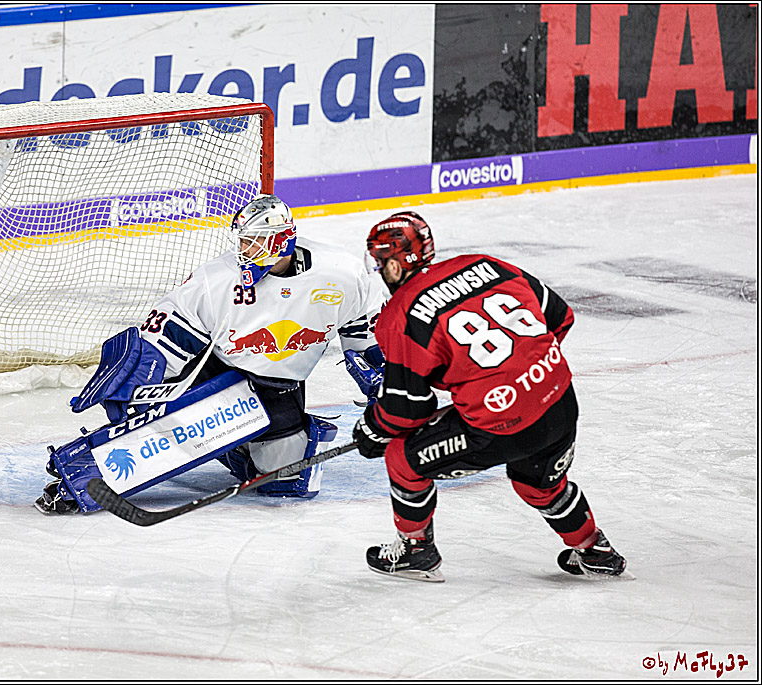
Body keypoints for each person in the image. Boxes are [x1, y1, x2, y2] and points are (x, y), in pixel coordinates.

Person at [37, 194, 388, 514]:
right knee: (163, 434)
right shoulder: (218, 280)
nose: (243, 250)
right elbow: (168, 334)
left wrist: (384, 383)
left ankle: (236, 446)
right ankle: (79, 474)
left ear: (281, 241)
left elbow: (362, 337)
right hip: (220, 378)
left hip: (281, 386)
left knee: (284, 483)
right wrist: (143, 383)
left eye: (252, 242)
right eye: (242, 241)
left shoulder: (342, 273)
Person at [352, 211, 627, 580]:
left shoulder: (400, 314)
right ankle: (596, 550)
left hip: (501, 425)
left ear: (395, 264)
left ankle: (416, 551)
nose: (379, 270)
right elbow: (560, 316)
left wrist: (372, 429)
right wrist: (521, 375)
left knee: (402, 458)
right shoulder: (487, 265)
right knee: (538, 483)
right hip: (560, 400)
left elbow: (407, 410)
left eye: (380, 261)